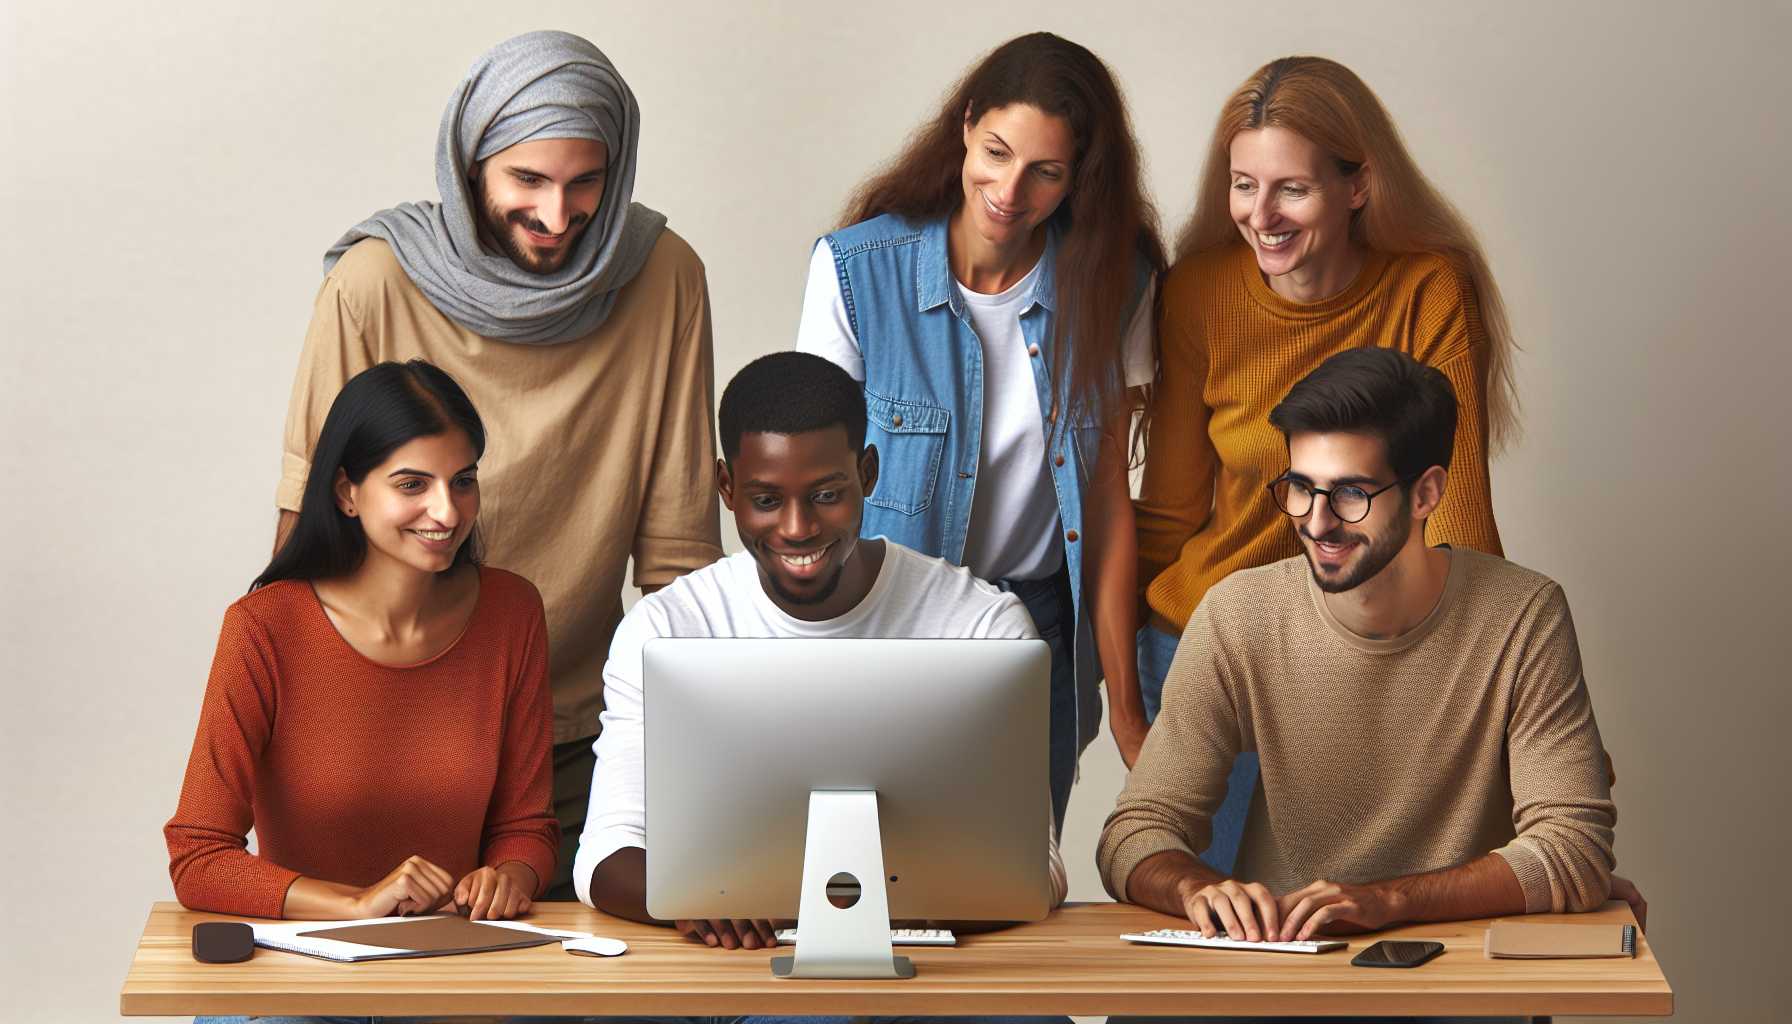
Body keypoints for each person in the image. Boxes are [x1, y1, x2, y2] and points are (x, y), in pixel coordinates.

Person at [275, 30, 721, 898]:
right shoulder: (372, 286)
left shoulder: (664, 277)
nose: (558, 216)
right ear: (471, 162)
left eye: (585, 181)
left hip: (579, 744)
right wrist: (301, 757)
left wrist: (686, 764)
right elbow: (311, 533)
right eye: (527, 180)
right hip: (391, 733)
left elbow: (679, 557)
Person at [1129, 56, 1516, 870]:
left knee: (1370, 923)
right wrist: (1132, 701)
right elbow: (1166, 513)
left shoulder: (1426, 288)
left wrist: (1512, 702)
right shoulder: (1199, 290)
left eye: (1290, 189)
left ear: (1358, 185)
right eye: (1242, 185)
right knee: (1223, 945)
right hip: (1211, 645)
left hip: (1370, 650)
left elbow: (1458, 519)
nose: (1259, 214)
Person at [1100, 348, 1618, 956]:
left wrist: (1387, 902)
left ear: (1426, 494)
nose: (1317, 522)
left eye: (1350, 494)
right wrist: (1200, 890)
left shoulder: (1523, 618)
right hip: (1291, 961)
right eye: (1300, 488)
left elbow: (1575, 847)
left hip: (1453, 969)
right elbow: (1132, 835)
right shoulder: (1238, 615)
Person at [797, 32, 1166, 829]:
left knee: (1013, 895)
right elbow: (813, 488)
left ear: (1079, 178)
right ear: (965, 126)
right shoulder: (858, 270)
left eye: (1046, 172)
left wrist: (1130, 715)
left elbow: (1106, 508)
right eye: (996, 152)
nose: (1009, 190)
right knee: (871, 884)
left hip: (1038, 637)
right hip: (886, 628)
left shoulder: (1118, 282)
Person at [577, 352, 1067, 951]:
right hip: (741, 962)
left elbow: (1037, 868)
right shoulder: (667, 628)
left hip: (927, 966)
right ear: (726, 488)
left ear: (868, 473)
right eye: (765, 500)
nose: (797, 528)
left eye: (826, 494)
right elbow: (604, 857)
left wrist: (818, 908)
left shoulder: (981, 626)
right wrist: (708, 901)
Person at [167, 360, 558, 927]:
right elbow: (199, 856)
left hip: (452, 969)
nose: (448, 512)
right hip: (302, 968)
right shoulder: (263, 628)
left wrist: (507, 878)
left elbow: (528, 829)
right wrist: (354, 904)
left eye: (463, 481)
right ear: (347, 492)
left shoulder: (512, 613)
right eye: (412, 484)